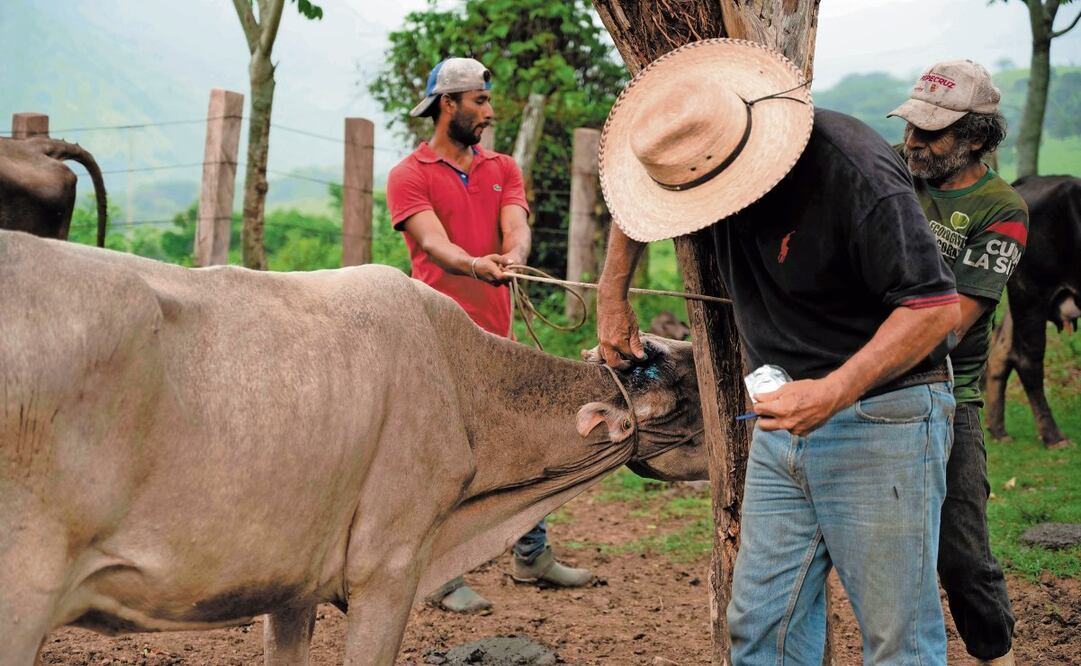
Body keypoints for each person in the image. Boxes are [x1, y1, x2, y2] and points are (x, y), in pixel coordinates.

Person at [593, 39, 960, 664]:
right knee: (762, 625)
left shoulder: (856, 172)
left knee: (898, 636)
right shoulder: (695, 149)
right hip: (781, 417)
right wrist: (612, 292)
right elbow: (633, 201)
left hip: (883, 414)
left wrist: (835, 391)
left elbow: (934, 311)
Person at [386, 57, 593, 613]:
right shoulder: (410, 173)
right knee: (444, 456)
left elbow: (516, 225)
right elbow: (431, 244)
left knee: (523, 439)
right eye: (480, 101)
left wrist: (514, 258)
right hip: (437, 338)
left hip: (496, 334)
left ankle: (532, 554)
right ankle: (439, 577)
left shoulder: (503, 166)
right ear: (448, 104)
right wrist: (477, 266)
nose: (489, 111)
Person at [887, 60, 1026, 666]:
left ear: (975, 137)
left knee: (962, 554)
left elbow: (950, 325)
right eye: (911, 127)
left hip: (949, 391)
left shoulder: (1003, 208)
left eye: (930, 133)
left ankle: (995, 653)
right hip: (859, 382)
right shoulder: (890, 168)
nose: (912, 141)